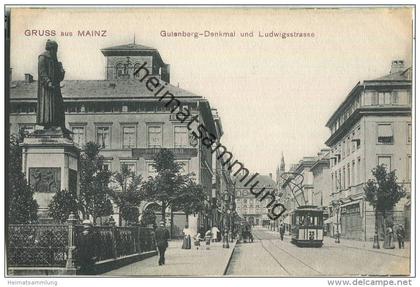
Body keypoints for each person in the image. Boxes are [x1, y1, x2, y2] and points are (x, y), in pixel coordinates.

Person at [37, 39, 67, 132]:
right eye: (55, 50)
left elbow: (59, 77)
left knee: (59, 106)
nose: (56, 52)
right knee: (48, 106)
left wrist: (62, 71)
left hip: (55, 87)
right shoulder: (43, 57)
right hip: (46, 89)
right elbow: (42, 72)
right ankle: (49, 124)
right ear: (51, 49)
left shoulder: (55, 60)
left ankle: (59, 125)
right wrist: (48, 82)